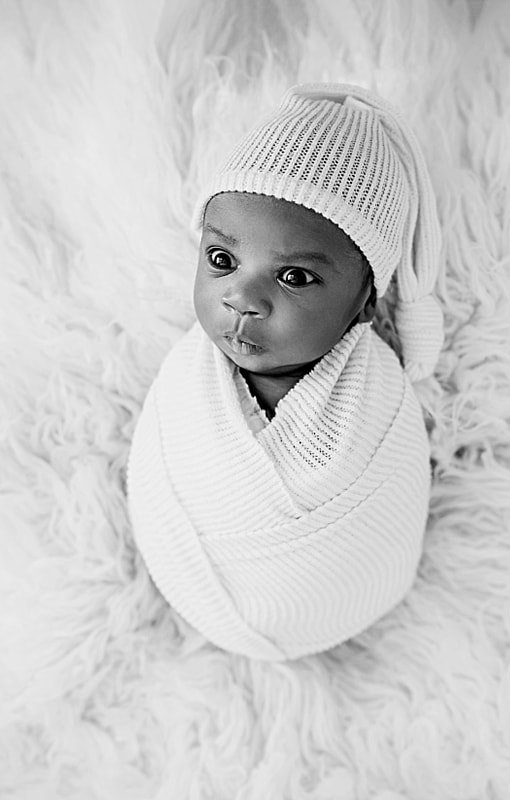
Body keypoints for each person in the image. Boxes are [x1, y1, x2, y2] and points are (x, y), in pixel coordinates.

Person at [127, 83, 443, 660]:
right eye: (222, 261)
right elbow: (159, 464)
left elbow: (389, 504)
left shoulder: (378, 403)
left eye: (295, 277)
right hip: (192, 580)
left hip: (337, 596)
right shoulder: (187, 377)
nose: (242, 298)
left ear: (365, 304)